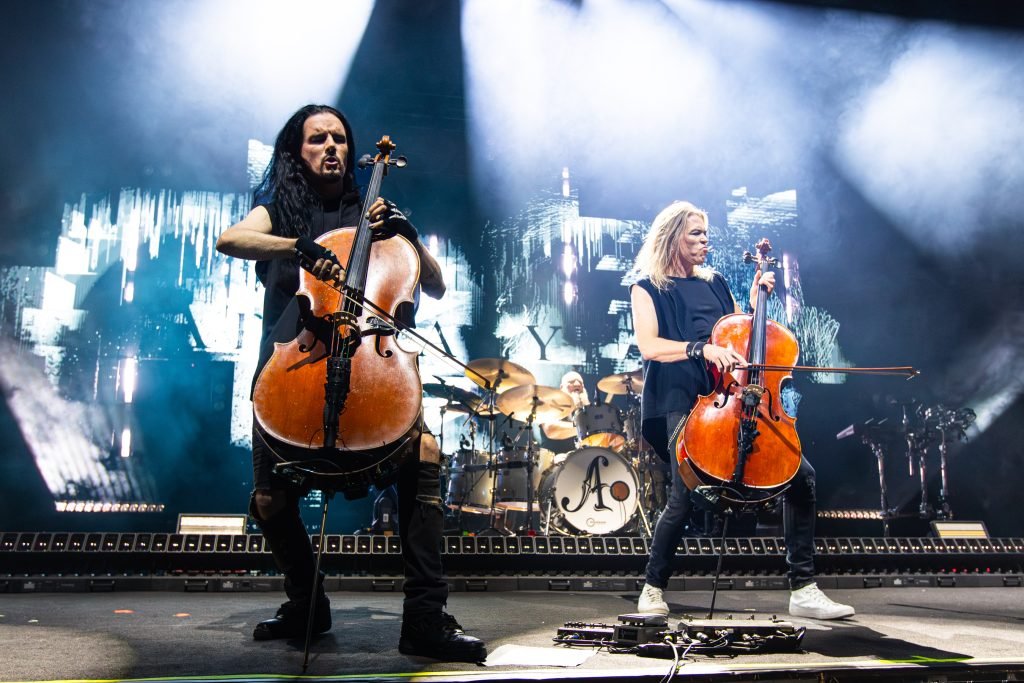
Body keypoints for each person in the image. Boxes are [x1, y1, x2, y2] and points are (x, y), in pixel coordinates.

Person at [215, 104, 487, 661]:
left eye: (339, 139)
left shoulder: (373, 216)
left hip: (370, 370)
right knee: (268, 498)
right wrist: (297, 246)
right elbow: (230, 240)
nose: (331, 148)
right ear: (297, 152)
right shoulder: (279, 210)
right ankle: (307, 604)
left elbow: (434, 286)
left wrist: (409, 234)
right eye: (317, 139)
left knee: (424, 455)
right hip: (292, 372)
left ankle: (425, 618)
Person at [629, 200, 854, 621]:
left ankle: (803, 588)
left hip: (729, 398)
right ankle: (653, 585)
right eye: (696, 233)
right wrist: (701, 349)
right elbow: (650, 346)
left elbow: (737, 335)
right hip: (682, 398)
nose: (705, 240)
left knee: (802, 477)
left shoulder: (714, 282)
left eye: (706, 233)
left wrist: (753, 304)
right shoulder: (647, 287)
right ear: (672, 236)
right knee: (684, 492)